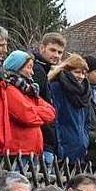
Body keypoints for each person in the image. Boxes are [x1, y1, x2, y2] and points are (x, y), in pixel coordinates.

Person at [2, 50, 56, 161]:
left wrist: (33, 110)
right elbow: (26, 117)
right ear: (17, 67)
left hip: (32, 150)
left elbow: (51, 112)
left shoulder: (29, 91)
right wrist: (38, 113)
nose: (32, 72)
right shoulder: (9, 89)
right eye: (29, 67)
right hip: (18, 151)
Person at [49, 54, 92, 163]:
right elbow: (55, 119)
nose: (81, 76)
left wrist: (85, 141)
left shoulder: (85, 94)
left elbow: (87, 122)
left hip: (79, 151)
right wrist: (60, 146)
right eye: (77, 72)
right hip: (62, 149)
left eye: (83, 73)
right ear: (67, 71)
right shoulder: (57, 88)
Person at [31, 32, 66, 165]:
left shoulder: (46, 71)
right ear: (42, 48)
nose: (56, 55)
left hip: (46, 140)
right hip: (40, 141)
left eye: (60, 52)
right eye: (52, 50)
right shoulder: (37, 70)